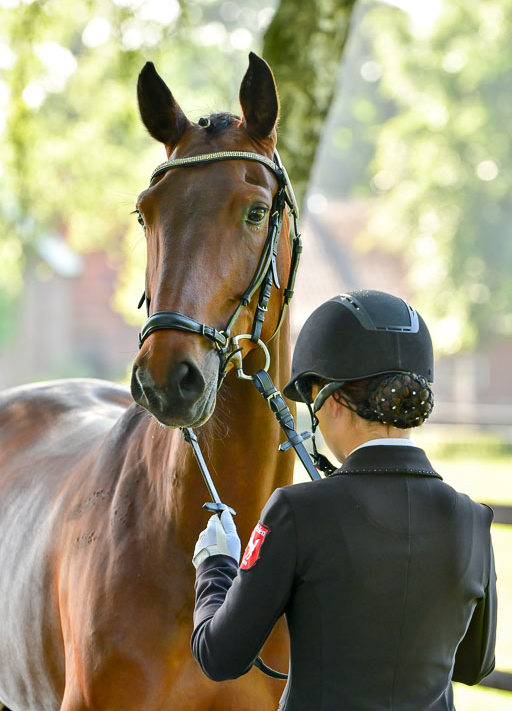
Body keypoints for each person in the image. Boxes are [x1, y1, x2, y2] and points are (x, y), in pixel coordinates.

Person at [191, 290, 497, 710]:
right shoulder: (473, 519)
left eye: (312, 404)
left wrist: (216, 564)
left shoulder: (296, 512)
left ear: (332, 401)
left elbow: (219, 655)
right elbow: (474, 664)